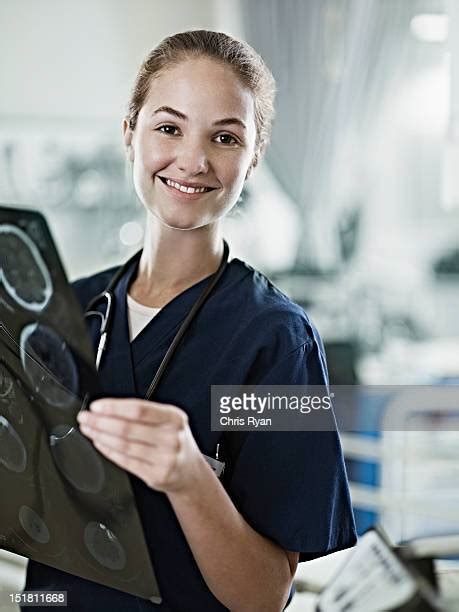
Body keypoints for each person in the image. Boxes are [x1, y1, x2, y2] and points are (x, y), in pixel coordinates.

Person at [24, 30, 356, 611]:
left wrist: (187, 475)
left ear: (252, 158)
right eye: (169, 127)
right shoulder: (64, 315)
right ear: (130, 134)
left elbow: (266, 596)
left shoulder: (280, 341)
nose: (194, 160)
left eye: (225, 137)